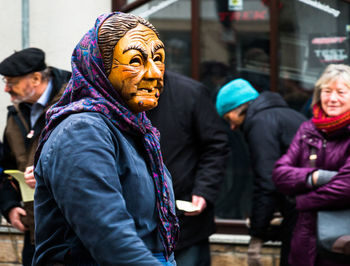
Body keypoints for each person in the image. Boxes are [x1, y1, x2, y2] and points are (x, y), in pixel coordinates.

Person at [32, 12, 179, 265]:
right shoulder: (81, 130)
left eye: (158, 59)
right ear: (99, 68)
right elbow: (108, 235)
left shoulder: (135, 130)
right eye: (136, 60)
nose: (155, 73)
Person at [215, 78, 306, 266]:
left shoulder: (259, 123)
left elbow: (267, 182)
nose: (231, 127)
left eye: (228, 117)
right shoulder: (285, 114)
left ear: (238, 107)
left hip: (301, 215)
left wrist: (257, 234)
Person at [147, 70, 230, 265]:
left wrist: (203, 190)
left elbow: (216, 146)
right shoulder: (118, 96)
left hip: (185, 221)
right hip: (140, 226)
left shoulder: (191, 93)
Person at [272, 64, 350, 266]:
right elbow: (280, 174)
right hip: (305, 243)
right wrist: (315, 177)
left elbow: (346, 186)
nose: (332, 99)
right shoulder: (308, 129)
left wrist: (303, 201)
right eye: (327, 91)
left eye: (341, 92)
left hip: (344, 243)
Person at [0, 47, 71, 265]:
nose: (6, 89)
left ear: (36, 78)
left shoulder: (75, 103)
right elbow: (6, 168)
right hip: (34, 233)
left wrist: (45, 174)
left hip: (71, 233)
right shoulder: (16, 113)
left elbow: (91, 163)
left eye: (11, 82)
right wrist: (10, 206)